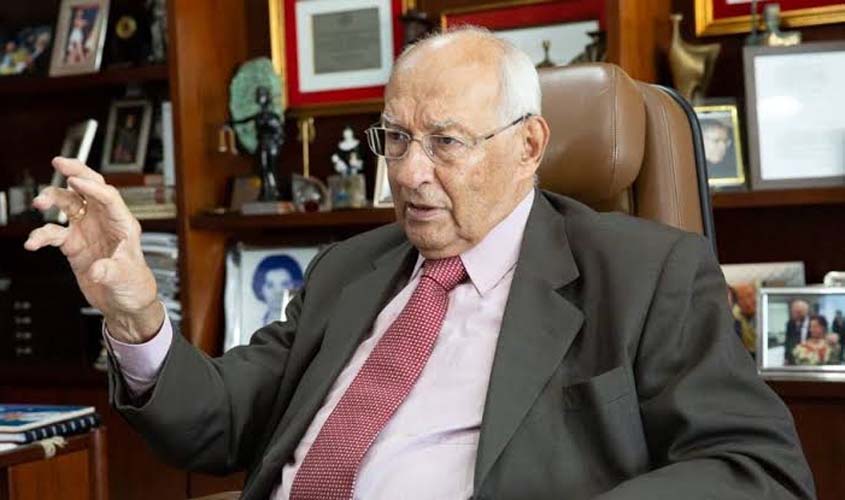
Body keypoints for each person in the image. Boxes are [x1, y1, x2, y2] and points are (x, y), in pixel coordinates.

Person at [24, 27, 813, 500]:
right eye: (395, 139)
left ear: (528, 146)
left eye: (445, 142)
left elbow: (755, 470)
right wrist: (135, 313)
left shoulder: (641, 273)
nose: (407, 174)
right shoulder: (350, 270)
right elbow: (222, 419)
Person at [252, 255, 303, 326]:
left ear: (296, 286)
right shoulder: (253, 325)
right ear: (260, 289)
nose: (278, 292)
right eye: (270, 285)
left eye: (285, 284)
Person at [785, 299, 811, 365]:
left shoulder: (812, 322)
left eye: (797, 312)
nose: (794, 314)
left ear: (805, 312)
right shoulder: (790, 323)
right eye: (793, 312)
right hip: (793, 358)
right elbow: (788, 341)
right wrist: (786, 357)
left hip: (809, 356)